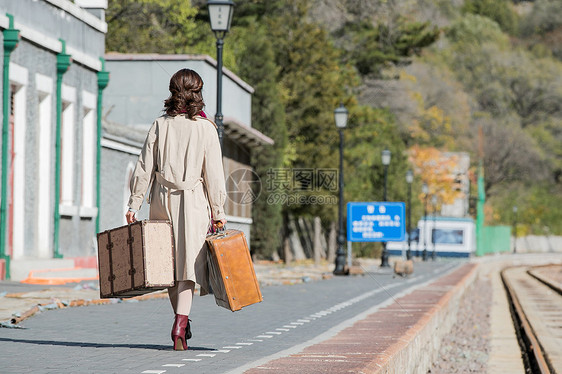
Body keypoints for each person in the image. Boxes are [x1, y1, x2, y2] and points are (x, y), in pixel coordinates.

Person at [125, 69, 227, 351]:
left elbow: (144, 167)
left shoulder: (159, 125)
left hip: (162, 199)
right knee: (187, 267)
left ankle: (181, 321)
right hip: (194, 201)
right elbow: (215, 175)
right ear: (198, 93)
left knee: (168, 265)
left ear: (172, 92)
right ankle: (181, 323)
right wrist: (218, 212)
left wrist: (134, 203)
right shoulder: (207, 129)